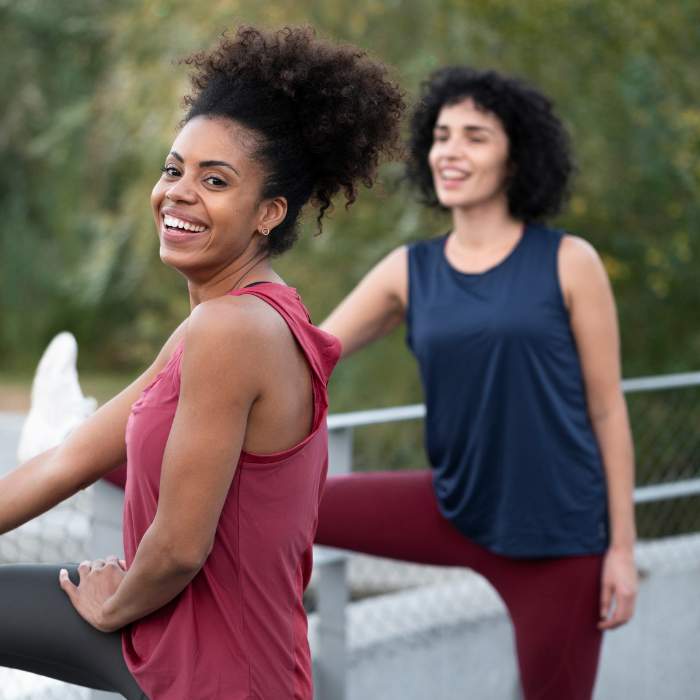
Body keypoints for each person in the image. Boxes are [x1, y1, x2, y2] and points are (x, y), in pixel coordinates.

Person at [0, 26, 403, 700]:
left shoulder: (233, 328)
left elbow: (181, 547)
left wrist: (114, 602)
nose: (178, 192)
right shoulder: (222, 323)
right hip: (164, 645)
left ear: (268, 213)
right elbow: (69, 459)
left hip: (221, 677)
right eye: (173, 169)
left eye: (214, 180)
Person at [315, 66, 638, 700]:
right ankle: (102, 449)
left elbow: (607, 411)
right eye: (441, 135)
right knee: (282, 500)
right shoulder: (409, 270)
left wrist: (621, 550)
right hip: (453, 506)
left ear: (515, 157)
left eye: (475, 136)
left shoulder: (570, 261)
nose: (450, 151)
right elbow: (307, 352)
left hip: (559, 538)